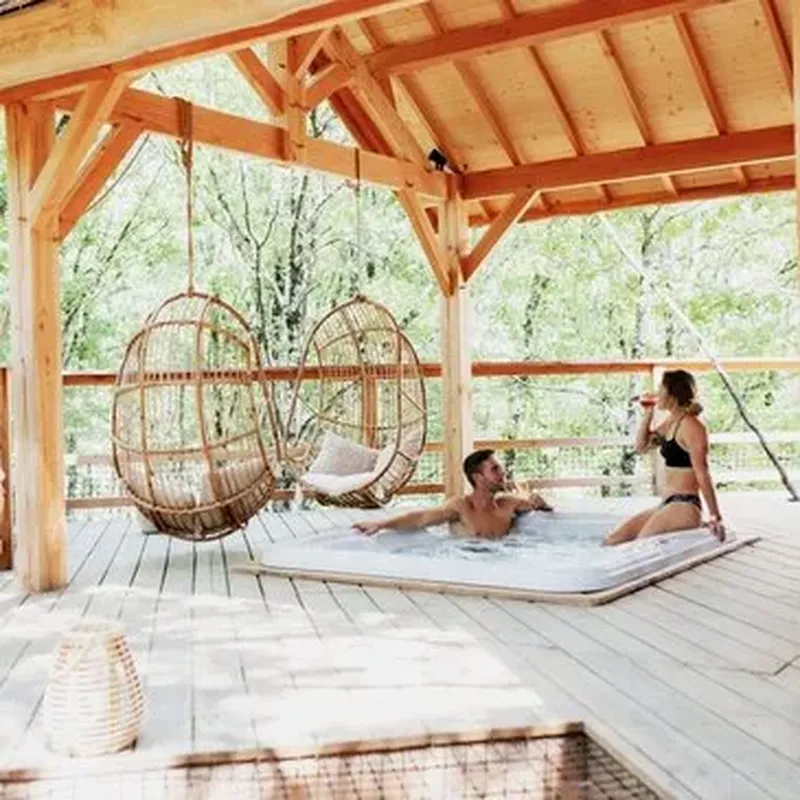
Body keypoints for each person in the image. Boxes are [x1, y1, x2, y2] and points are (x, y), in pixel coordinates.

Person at [604, 369, 725, 546]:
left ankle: (698, 524)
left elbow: (703, 473)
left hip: (684, 506)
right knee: (613, 540)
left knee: (640, 547)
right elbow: (641, 447)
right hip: (668, 503)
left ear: (673, 394)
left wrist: (716, 516)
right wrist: (647, 414)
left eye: (661, 388)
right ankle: (698, 526)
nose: (657, 392)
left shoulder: (692, 426)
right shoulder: (672, 422)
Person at [352, 449, 552, 538]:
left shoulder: (509, 504)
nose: (502, 473)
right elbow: (421, 518)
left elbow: (536, 505)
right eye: (495, 469)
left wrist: (538, 501)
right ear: (478, 477)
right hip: (467, 562)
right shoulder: (461, 507)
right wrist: (380, 524)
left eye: (500, 468)